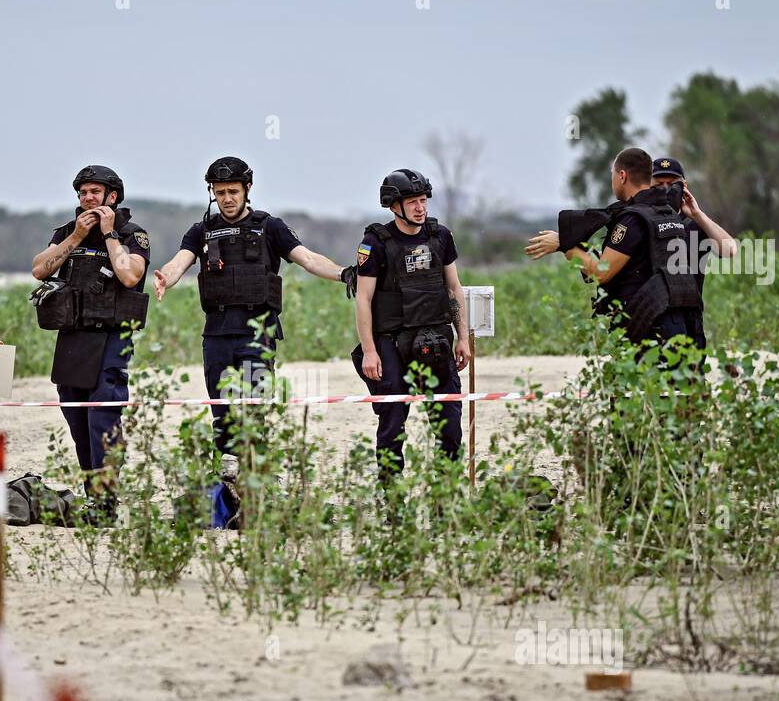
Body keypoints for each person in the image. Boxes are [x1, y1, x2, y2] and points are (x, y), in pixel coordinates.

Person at [153, 156, 350, 462]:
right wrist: (167, 276)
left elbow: (308, 258)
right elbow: (181, 260)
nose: (227, 199)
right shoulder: (200, 231)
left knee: (253, 414)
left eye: (233, 191)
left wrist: (343, 273)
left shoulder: (270, 227)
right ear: (212, 194)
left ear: (247, 189)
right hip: (217, 336)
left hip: (257, 335)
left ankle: (257, 485)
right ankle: (228, 485)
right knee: (223, 419)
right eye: (220, 193)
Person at [30, 165, 149, 521]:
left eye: (95, 192)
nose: (87, 199)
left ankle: (107, 501)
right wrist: (75, 239)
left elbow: (130, 275)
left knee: (104, 418)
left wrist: (109, 234)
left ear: (112, 197)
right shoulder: (68, 232)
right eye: (83, 193)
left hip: (112, 337)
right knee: (77, 418)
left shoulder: (132, 234)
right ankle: (93, 495)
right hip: (73, 337)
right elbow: (39, 270)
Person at [350, 169, 471, 479]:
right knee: (392, 424)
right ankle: (393, 502)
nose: (421, 207)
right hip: (390, 343)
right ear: (394, 207)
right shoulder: (374, 243)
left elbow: (454, 288)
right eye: (412, 202)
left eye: (423, 200)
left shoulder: (440, 236)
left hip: (436, 337)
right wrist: (369, 351)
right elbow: (363, 299)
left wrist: (463, 338)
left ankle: (447, 503)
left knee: (449, 425)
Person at [524, 148, 702, 357]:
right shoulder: (668, 214)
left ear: (622, 176)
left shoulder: (633, 220)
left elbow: (601, 272)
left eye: (613, 176)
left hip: (646, 332)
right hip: (677, 327)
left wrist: (565, 245)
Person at [650, 156, 738, 349]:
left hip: (689, 321)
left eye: (672, 184)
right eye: (658, 184)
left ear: (684, 186)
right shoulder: (642, 221)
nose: (665, 189)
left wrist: (697, 214)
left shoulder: (694, 225)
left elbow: (730, 250)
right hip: (651, 320)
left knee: (691, 378)